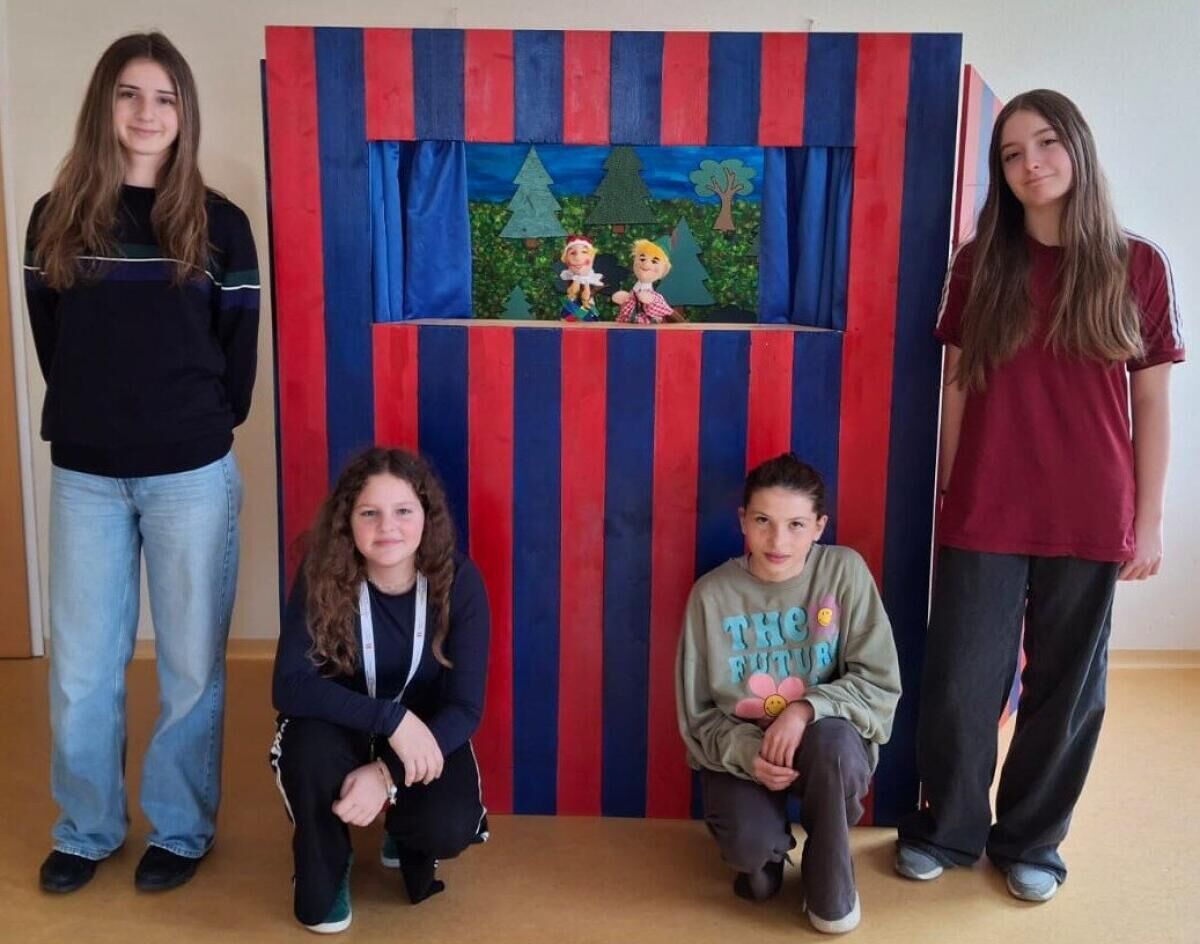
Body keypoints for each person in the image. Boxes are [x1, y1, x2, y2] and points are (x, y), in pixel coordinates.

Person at [895, 89, 1184, 902]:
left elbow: (1153, 401)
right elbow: (958, 383)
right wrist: (950, 484)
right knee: (962, 680)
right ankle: (948, 829)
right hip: (987, 503)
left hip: (1092, 508)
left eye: (1047, 143)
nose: (1032, 164)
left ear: (1078, 148)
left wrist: (1148, 521)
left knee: (1066, 690)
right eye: (1012, 154)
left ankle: (1031, 843)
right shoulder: (980, 264)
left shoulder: (1138, 264)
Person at [26, 31, 259, 894]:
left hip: (190, 475)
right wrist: (99, 416)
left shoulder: (220, 225)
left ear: (184, 113)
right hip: (86, 475)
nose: (147, 112)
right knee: (81, 669)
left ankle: (182, 830)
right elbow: (54, 342)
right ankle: (86, 829)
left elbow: (238, 353)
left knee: (191, 668)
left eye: (165, 97)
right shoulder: (53, 217)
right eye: (129, 93)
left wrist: (189, 426)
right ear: (105, 105)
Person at [676, 453, 901, 934]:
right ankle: (768, 854)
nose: (778, 542)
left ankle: (830, 878)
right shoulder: (710, 596)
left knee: (835, 745)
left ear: (819, 526)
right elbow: (697, 717)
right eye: (763, 521)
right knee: (753, 871)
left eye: (796, 525)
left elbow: (878, 682)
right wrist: (748, 753)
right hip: (746, 752)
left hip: (825, 743)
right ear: (743, 520)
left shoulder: (844, 572)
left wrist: (803, 710)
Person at [271, 447, 490, 934]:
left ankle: (402, 828)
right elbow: (289, 686)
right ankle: (328, 860)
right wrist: (390, 719)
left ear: (426, 517)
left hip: (420, 731)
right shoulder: (322, 573)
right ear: (347, 521)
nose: (387, 527)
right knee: (308, 756)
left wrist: (387, 773)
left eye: (403, 511)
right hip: (338, 722)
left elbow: (465, 708)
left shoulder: (459, 581)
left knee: (448, 825)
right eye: (369, 513)